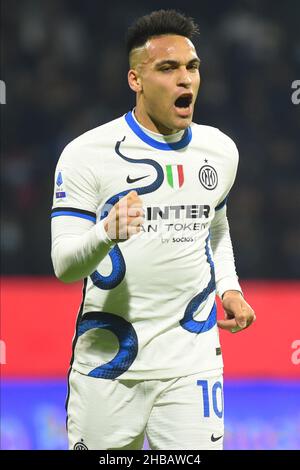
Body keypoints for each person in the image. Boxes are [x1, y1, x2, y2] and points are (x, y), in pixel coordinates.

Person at [51, 9, 255, 450]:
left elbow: (215, 225)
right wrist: (106, 231)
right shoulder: (85, 154)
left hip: (192, 365)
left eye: (192, 67)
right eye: (168, 68)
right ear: (135, 80)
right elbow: (65, 266)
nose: (185, 80)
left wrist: (230, 288)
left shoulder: (219, 151)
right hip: (108, 365)